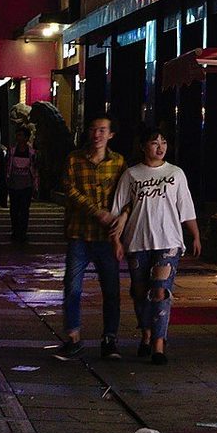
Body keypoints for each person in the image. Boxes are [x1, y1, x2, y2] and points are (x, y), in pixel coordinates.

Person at [109, 126, 201, 364]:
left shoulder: (176, 173)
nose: (160, 148)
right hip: (137, 242)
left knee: (160, 291)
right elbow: (118, 209)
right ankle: (146, 334)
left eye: (164, 143)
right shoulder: (131, 175)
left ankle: (159, 344)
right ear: (143, 147)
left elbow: (186, 207)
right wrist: (116, 240)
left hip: (168, 241)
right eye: (154, 143)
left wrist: (195, 235)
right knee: (140, 292)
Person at [54, 115, 125, 361]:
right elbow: (70, 190)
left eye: (103, 130)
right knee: (72, 287)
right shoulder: (74, 159)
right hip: (79, 233)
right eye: (94, 129)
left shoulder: (118, 162)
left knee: (111, 290)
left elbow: (126, 195)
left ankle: (110, 339)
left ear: (111, 134)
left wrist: (120, 221)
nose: (97, 135)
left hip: (107, 237)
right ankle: (73, 338)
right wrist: (97, 212)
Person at [5, 127, 37, 243]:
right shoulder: (12, 151)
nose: (19, 138)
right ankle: (15, 230)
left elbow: (34, 169)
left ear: (27, 138)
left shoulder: (32, 152)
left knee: (24, 209)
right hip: (14, 184)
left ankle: (22, 232)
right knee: (14, 209)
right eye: (18, 135)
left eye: (22, 135)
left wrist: (35, 184)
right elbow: (7, 166)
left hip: (26, 184)